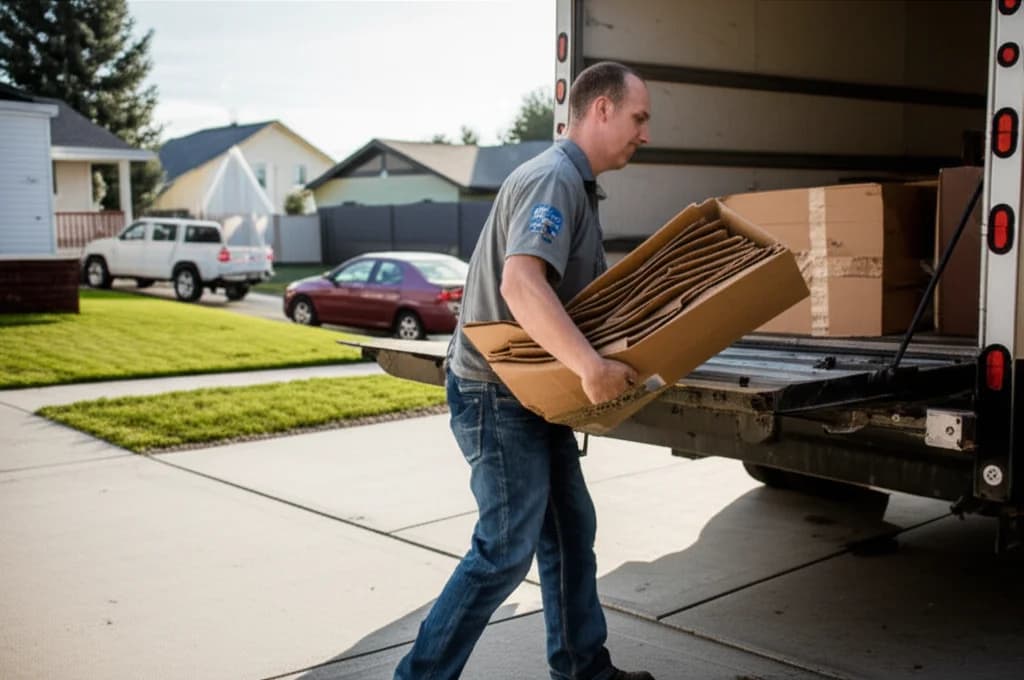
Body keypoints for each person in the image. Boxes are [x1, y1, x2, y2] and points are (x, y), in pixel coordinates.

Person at [394, 61, 654, 680]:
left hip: (531, 390)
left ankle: (582, 666)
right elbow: (522, 283)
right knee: (505, 549)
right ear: (602, 110)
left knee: (568, 533)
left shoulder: (575, 184)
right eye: (639, 118)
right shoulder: (554, 180)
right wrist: (589, 367)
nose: (645, 134)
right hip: (497, 393)